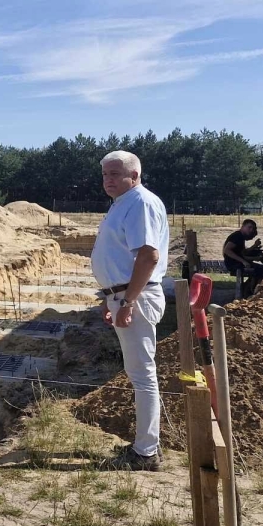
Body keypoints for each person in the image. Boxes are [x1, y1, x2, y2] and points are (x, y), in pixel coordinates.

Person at [90, 150, 169, 471]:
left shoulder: (141, 203)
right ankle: (146, 447)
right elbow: (118, 255)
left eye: (115, 174)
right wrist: (108, 299)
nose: (108, 180)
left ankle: (146, 452)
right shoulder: (123, 204)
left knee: (142, 375)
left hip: (135, 298)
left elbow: (148, 256)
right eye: (105, 175)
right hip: (122, 296)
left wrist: (127, 301)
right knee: (139, 373)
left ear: (134, 176)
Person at [222, 219, 263, 297]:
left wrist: (254, 247)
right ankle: (257, 295)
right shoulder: (237, 236)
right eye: (249, 227)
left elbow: (243, 253)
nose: (251, 230)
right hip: (235, 265)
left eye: (253, 228)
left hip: (237, 263)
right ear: (243, 226)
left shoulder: (241, 237)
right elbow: (227, 250)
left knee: (262, 268)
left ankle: (248, 289)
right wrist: (243, 261)